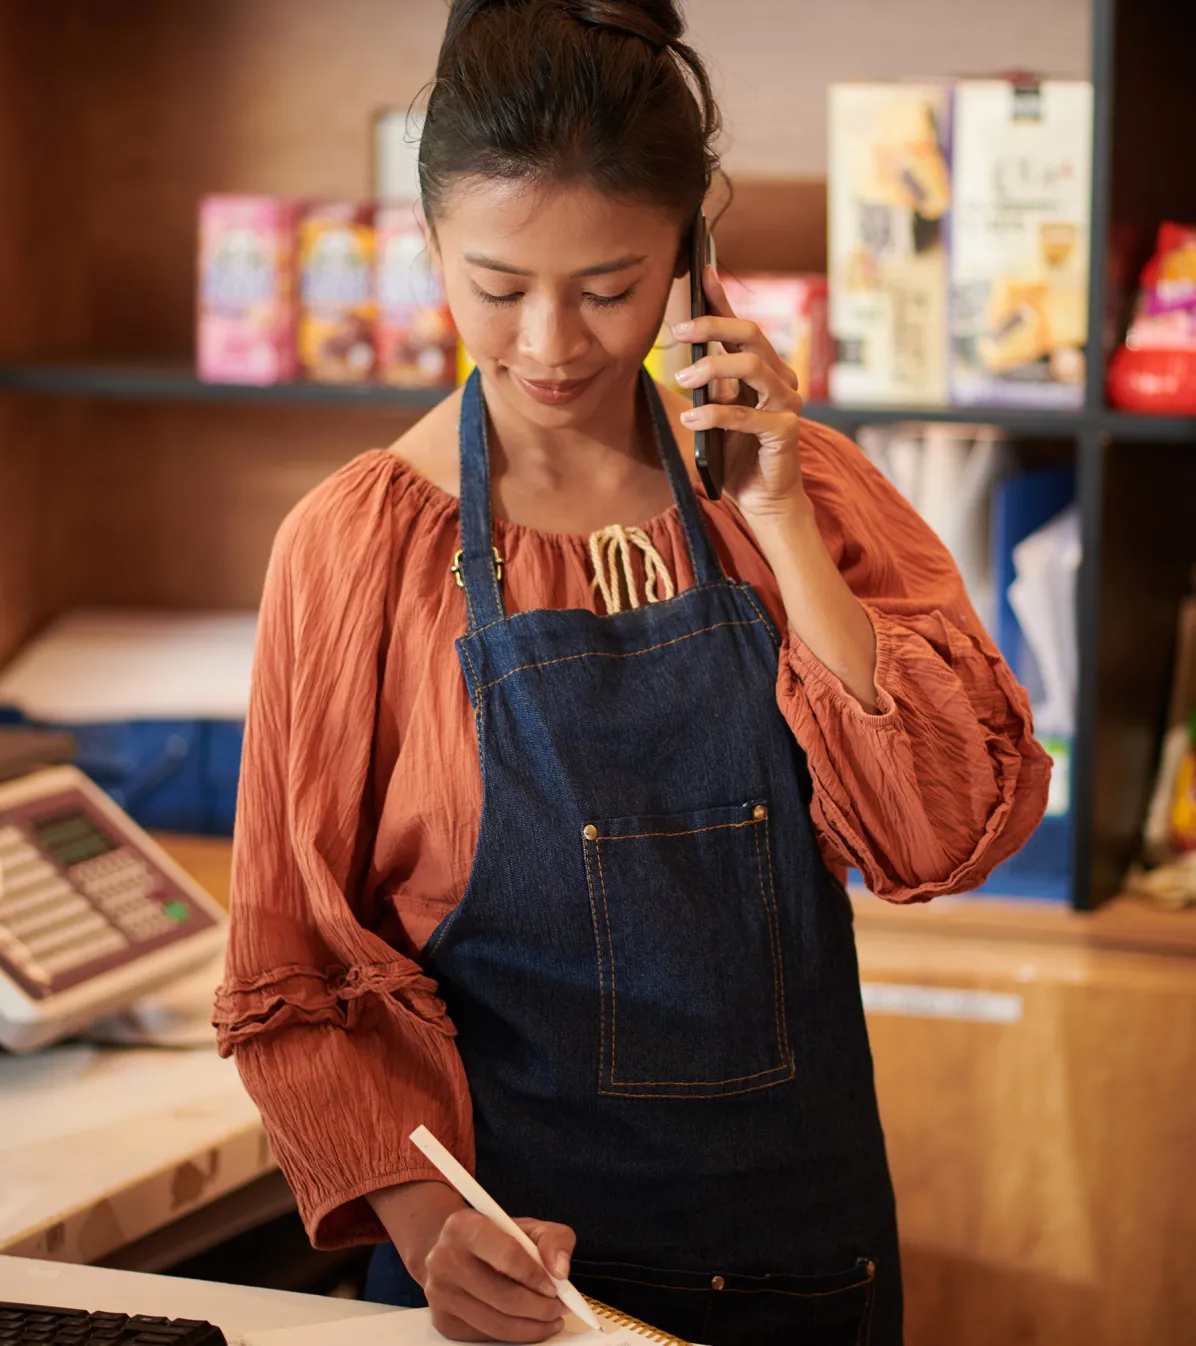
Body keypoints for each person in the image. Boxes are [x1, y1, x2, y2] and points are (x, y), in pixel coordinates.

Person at [215, 2, 1051, 1343]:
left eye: (608, 287)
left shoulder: (802, 489)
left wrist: (776, 514)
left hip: (806, 1265)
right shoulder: (354, 550)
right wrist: (437, 1236)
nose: (549, 344)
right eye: (497, 285)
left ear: (691, 252)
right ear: (429, 242)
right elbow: (299, 965)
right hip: (509, 1292)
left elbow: (940, 835)